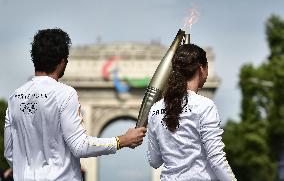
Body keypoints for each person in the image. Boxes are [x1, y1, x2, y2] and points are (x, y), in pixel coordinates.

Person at [4, 28, 147, 181]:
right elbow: (79, 146)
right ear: (62, 61)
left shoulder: (15, 98)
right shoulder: (64, 94)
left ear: (34, 59)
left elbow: (9, 152)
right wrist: (122, 140)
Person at [147, 44, 236, 181]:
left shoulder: (155, 109)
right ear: (202, 69)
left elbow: (154, 161)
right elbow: (217, 160)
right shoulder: (205, 106)